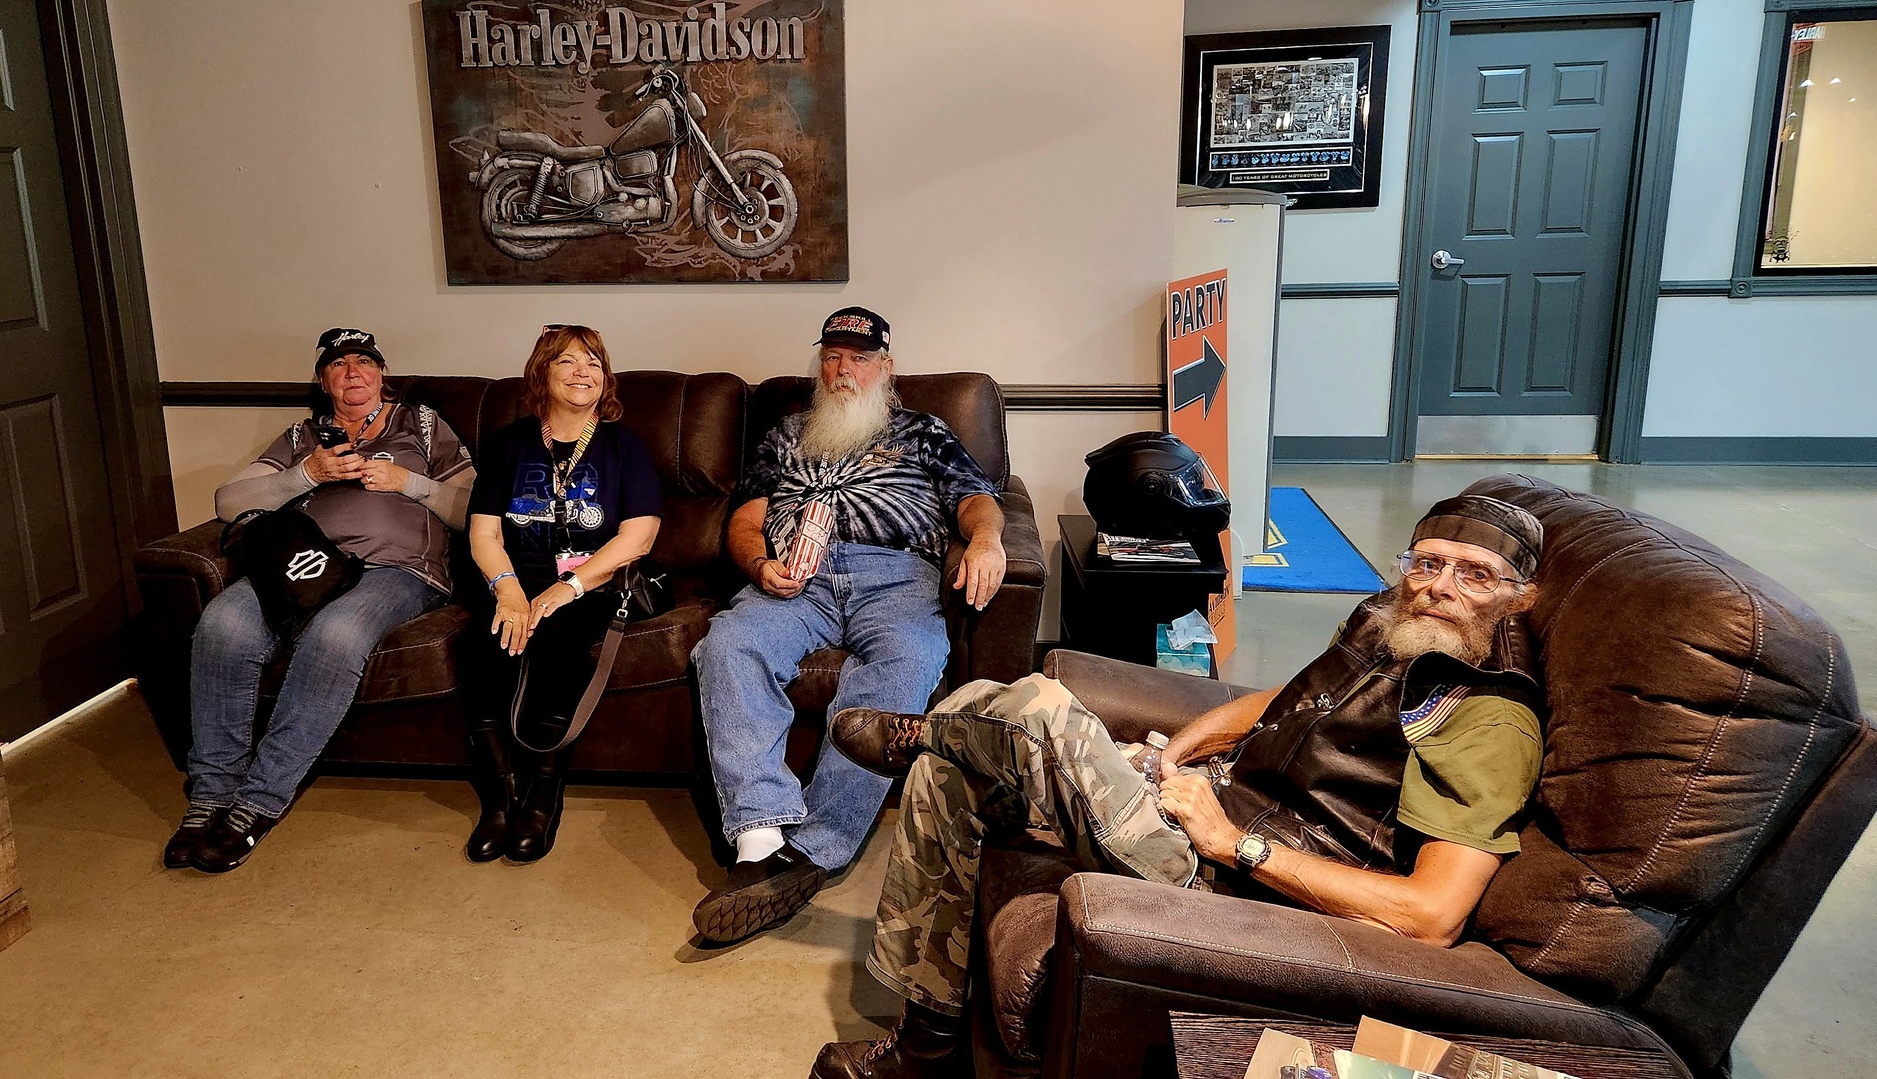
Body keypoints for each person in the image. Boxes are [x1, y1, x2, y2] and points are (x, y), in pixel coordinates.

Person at [811, 495, 1548, 1079]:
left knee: (1036, 704)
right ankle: (926, 1050)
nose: (1439, 587)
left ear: (1519, 597)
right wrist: (1171, 752)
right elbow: (1286, 701)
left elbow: (1431, 914)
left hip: (1232, 885)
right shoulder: (1390, 626)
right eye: (1427, 563)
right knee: (948, 775)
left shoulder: (1489, 717)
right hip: (1200, 807)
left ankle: (925, 731)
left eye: (1474, 574)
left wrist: (1235, 843)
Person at [690, 307, 1008, 944]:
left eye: (859, 358)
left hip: (894, 575)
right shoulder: (785, 435)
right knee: (727, 645)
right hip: (794, 577)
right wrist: (758, 564)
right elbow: (746, 519)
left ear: (885, 368)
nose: (843, 370)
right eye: (832, 357)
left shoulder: (922, 430)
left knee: (908, 662)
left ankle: (813, 849)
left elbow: (976, 498)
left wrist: (986, 540)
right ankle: (759, 841)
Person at [168, 328, 475, 874]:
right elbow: (228, 501)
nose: (353, 372)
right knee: (222, 624)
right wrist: (307, 474)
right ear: (322, 380)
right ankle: (211, 796)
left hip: (397, 570)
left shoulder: (423, 425)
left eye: (364, 361)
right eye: (338, 364)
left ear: (382, 373)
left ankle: (258, 800)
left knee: (335, 635)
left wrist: (409, 483)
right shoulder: (302, 436)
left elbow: (476, 508)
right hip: (305, 567)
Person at [463, 325, 662, 863]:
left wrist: (568, 588)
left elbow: (639, 536)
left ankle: (541, 797)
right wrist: (507, 592)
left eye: (594, 363)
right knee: (482, 646)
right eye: (568, 361)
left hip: (589, 583)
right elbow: (484, 534)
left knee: (560, 640)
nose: (583, 372)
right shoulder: (509, 443)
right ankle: (499, 800)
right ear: (542, 373)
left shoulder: (624, 446)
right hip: (514, 577)